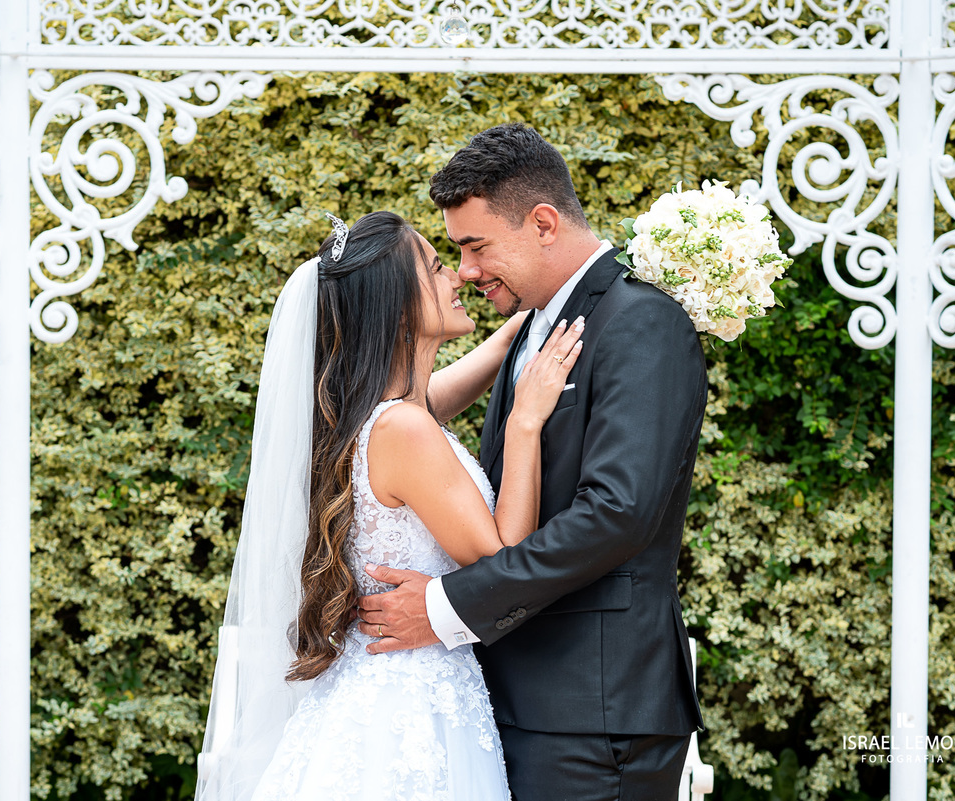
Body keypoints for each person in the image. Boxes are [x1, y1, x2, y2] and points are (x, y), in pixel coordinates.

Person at [356, 123, 709, 801]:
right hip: (511, 704)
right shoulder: (532, 326)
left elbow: (617, 513)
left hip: (592, 712)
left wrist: (446, 605)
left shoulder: (640, 320)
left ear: (543, 223)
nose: (465, 271)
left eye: (476, 246)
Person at [194, 210, 585, 800]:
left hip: (381, 690)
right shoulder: (403, 429)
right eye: (436, 267)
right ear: (399, 306)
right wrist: (525, 422)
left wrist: (525, 322)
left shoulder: (374, 416)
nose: (458, 276)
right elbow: (505, 557)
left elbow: (437, 395)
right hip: (410, 707)